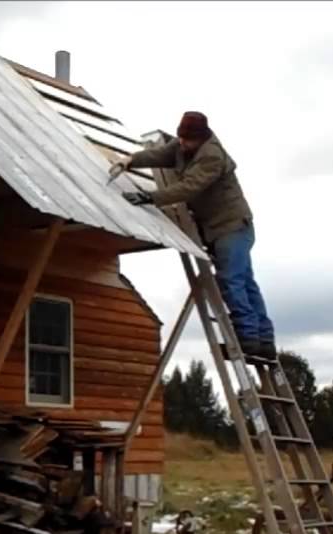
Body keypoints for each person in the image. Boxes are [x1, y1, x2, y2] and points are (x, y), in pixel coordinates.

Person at [112, 111, 277, 360]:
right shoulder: (182, 146)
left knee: (232, 281)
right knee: (244, 281)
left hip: (232, 226)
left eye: (187, 140)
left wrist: (151, 197)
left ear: (200, 138)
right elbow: (159, 155)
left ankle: (249, 339)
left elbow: (189, 187)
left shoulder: (211, 156)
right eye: (180, 138)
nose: (182, 143)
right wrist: (131, 160)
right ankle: (262, 339)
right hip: (216, 228)